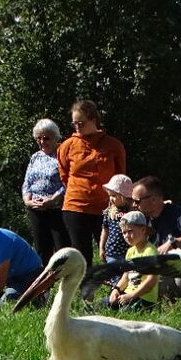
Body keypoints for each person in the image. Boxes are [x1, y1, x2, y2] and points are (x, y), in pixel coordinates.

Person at [56, 99, 126, 265]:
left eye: (81, 123)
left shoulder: (113, 145)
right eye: (74, 124)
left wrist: (115, 202)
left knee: (112, 250)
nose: (77, 127)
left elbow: (120, 178)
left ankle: (117, 288)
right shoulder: (67, 146)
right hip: (75, 206)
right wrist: (80, 190)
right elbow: (64, 175)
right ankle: (86, 290)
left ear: (93, 120)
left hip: (106, 207)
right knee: (81, 254)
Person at [130, 176, 181, 303]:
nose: (133, 205)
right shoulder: (140, 219)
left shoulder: (178, 215)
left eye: (137, 201)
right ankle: (163, 302)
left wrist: (173, 242)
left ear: (153, 199)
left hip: (180, 278)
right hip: (157, 277)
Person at [21, 118, 67, 263]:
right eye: (38, 138)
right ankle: (44, 282)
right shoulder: (36, 157)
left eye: (46, 138)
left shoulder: (63, 155)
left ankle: (65, 280)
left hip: (57, 209)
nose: (42, 142)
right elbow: (27, 182)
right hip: (36, 209)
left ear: (55, 137)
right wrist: (27, 200)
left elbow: (68, 182)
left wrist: (53, 199)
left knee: (62, 247)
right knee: (41, 248)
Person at [105, 210, 158, 312]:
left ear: (143, 229)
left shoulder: (150, 251)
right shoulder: (130, 251)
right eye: (124, 233)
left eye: (130, 231)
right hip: (127, 294)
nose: (126, 236)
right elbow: (126, 276)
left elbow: (152, 280)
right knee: (102, 304)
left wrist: (132, 295)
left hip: (144, 298)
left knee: (124, 311)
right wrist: (116, 289)